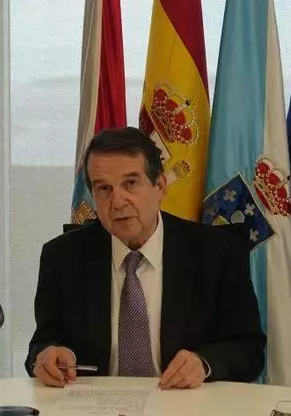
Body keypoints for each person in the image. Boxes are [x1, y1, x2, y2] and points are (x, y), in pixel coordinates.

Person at [26, 127, 265, 389]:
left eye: (130, 183)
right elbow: (41, 346)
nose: (117, 202)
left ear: (160, 186)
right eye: (104, 188)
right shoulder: (62, 257)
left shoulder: (217, 252)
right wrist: (49, 355)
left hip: (184, 402)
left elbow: (249, 351)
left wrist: (204, 363)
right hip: (94, 404)